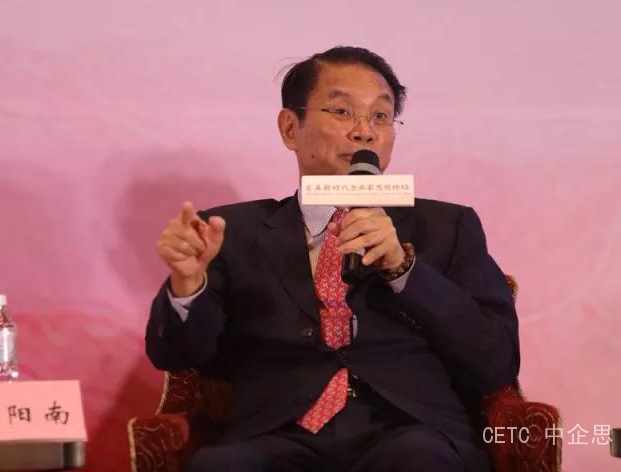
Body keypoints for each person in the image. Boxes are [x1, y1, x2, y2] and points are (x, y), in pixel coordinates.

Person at [146, 46, 519, 472]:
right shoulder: (229, 232)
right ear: (290, 128)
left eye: (380, 116)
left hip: (409, 430)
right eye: (342, 112)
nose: (364, 132)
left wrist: (404, 270)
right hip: (276, 434)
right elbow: (177, 355)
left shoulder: (448, 227)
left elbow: (495, 363)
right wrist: (188, 286)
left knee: (417, 460)